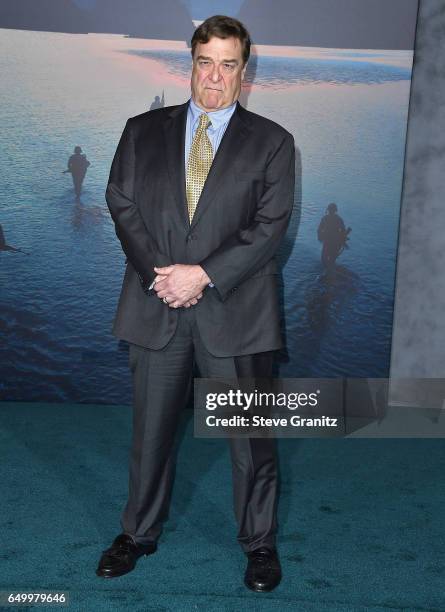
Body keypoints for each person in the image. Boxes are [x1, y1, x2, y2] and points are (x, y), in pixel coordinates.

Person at [96, 15, 295, 593]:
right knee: (149, 435)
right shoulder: (142, 130)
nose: (214, 76)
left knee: (250, 444)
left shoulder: (273, 142)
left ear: (244, 71)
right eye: (205, 61)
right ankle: (137, 534)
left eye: (227, 64)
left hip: (236, 316)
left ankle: (259, 545)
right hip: (157, 305)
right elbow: (121, 202)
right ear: (191, 63)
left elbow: (269, 228)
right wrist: (163, 277)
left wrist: (202, 275)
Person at [317, 202, 350, 268]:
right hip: (333, 242)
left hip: (331, 242)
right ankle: (329, 271)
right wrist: (343, 240)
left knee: (326, 259)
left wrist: (320, 237)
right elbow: (343, 231)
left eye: (331, 210)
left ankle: (329, 271)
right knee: (330, 259)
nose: (331, 211)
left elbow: (319, 230)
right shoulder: (338, 219)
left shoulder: (325, 218)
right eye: (331, 210)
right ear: (335, 210)